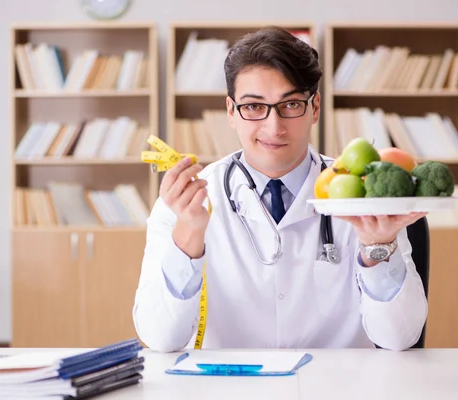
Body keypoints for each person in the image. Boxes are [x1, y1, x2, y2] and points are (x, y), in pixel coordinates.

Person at [132, 26, 428, 353]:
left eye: (290, 105)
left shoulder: (364, 195)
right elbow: (160, 338)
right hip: (229, 386)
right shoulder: (185, 202)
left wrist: (378, 247)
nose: (273, 127)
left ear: (314, 107)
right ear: (232, 112)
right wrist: (187, 238)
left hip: (335, 386)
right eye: (254, 107)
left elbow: (400, 339)